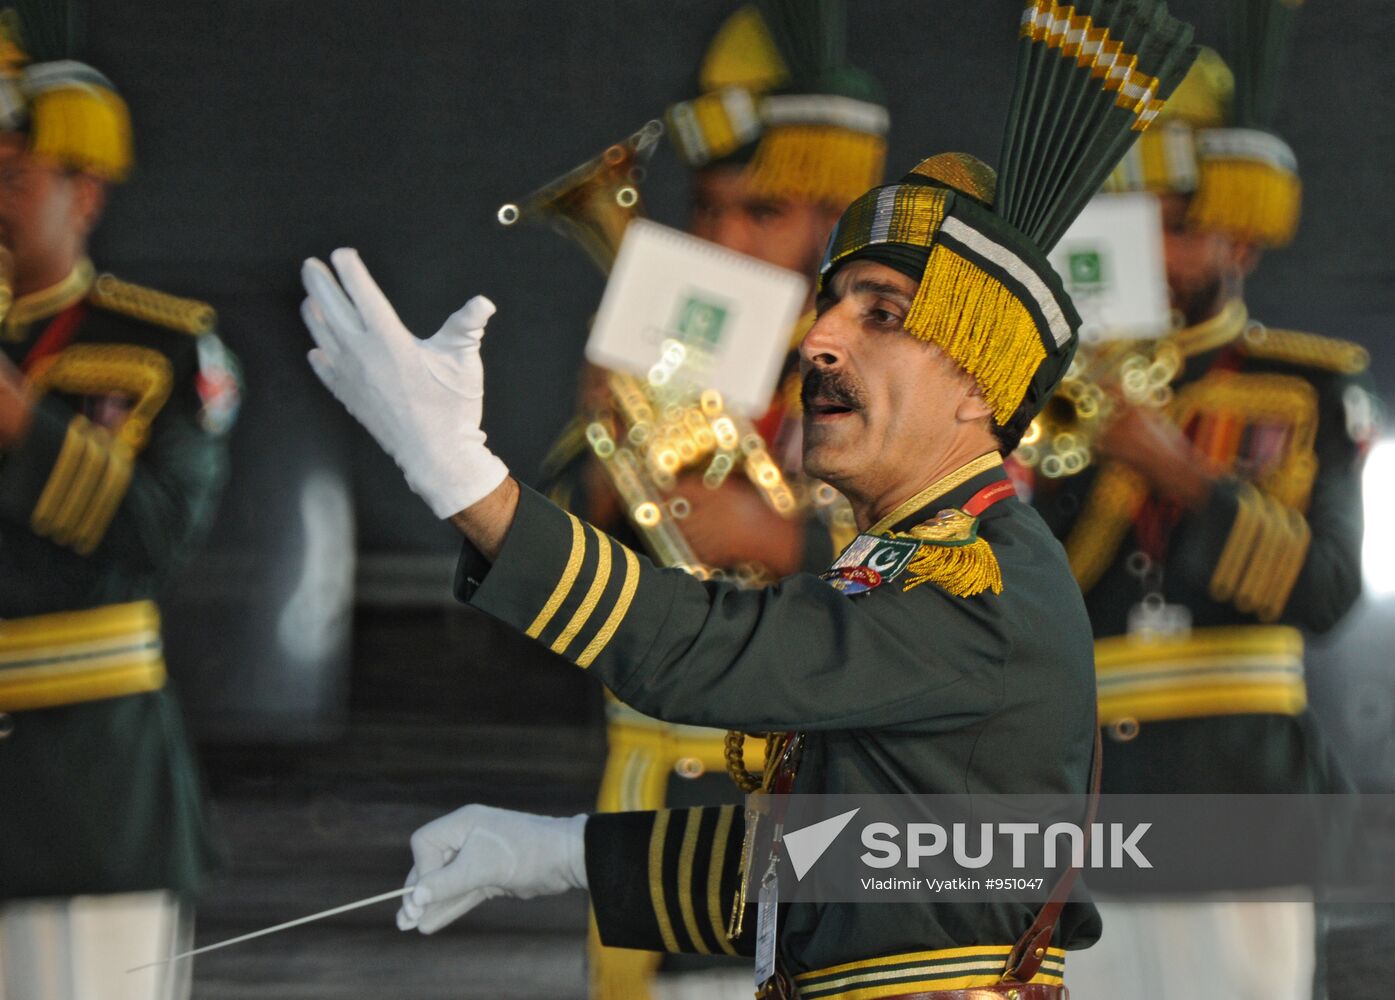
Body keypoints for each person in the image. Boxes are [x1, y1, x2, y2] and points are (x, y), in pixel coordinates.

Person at [300, 3, 1198, 993]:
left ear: (977, 383)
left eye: (881, 315)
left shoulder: (974, 574)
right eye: (832, 306)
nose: (820, 339)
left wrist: (462, 477)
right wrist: (559, 855)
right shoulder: (916, 556)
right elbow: (846, 865)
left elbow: (710, 650)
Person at [538, 5, 888, 993]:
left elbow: (963, 569)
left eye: (761, 212)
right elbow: (543, 573)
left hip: (833, 796)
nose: (725, 237)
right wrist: (601, 461)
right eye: (708, 208)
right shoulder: (662, 343)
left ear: (835, 217)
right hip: (666, 790)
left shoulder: (902, 366)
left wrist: (790, 542)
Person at [1028, 6, 1375, 996]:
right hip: (1087, 806)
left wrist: (1175, 467)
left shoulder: (1302, 387)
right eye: (1128, 224)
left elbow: (1327, 590)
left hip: (1240, 796)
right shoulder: (1047, 390)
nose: (1152, 251)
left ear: (1242, 238)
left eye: (1177, 227)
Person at [0, 16, 240, 1000]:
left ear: (85, 193)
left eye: (12, 178)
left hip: (87, 790)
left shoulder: (162, 347)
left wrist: (22, 424)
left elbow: (156, 537)